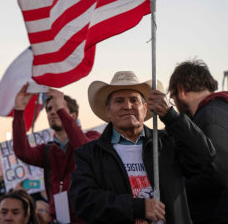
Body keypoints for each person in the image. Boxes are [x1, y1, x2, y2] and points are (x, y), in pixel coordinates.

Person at [70, 71, 215, 224]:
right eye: (119, 101)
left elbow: (205, 158)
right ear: (108, 111)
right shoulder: (89, 154)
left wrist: (170, 115)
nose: (127, 106)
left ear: (145, 108)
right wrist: (137, 207)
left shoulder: (167, 142)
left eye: (134, 100)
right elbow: (83, 201)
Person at [151, 59, 228, 223]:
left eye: (173, 97)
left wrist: (174, 191)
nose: (175, 105)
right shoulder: (221, 110)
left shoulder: (210, 116)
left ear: (182, 90)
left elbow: (217, 173)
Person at [12, 83, 99, 223]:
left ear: (73, 115)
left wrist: (61, 111)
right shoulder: (47, 150)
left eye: (59, 108)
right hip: (58, 219)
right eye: (49, 109)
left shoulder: (93, 137)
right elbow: (22, 152)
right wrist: (19, 110)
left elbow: (84, 150)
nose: (53, 111)